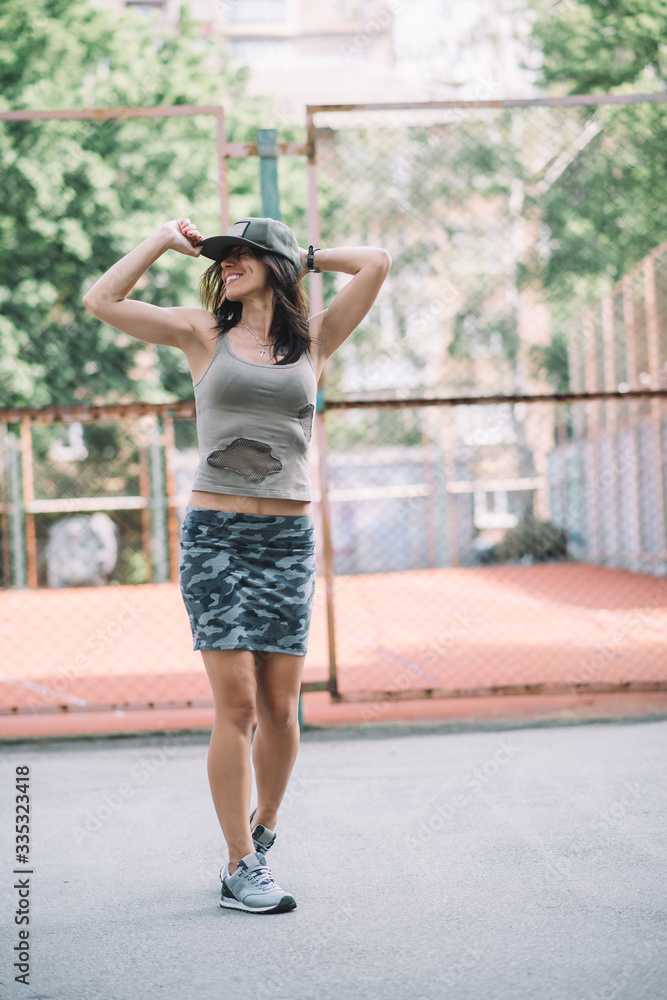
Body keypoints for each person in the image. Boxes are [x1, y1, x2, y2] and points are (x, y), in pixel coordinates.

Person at [83, 216, 391, 913]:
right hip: (215, 535)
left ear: (278, 267)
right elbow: (100, 302)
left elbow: (375, 260)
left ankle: (266, 826)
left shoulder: (315, 340)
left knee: (282, 708)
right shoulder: (203, 333)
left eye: (245, 255)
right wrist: (163, 240)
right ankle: (238, 865)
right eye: (224, 257)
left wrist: (306, 255)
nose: (228, 264)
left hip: (286, 541)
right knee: (240, 705)